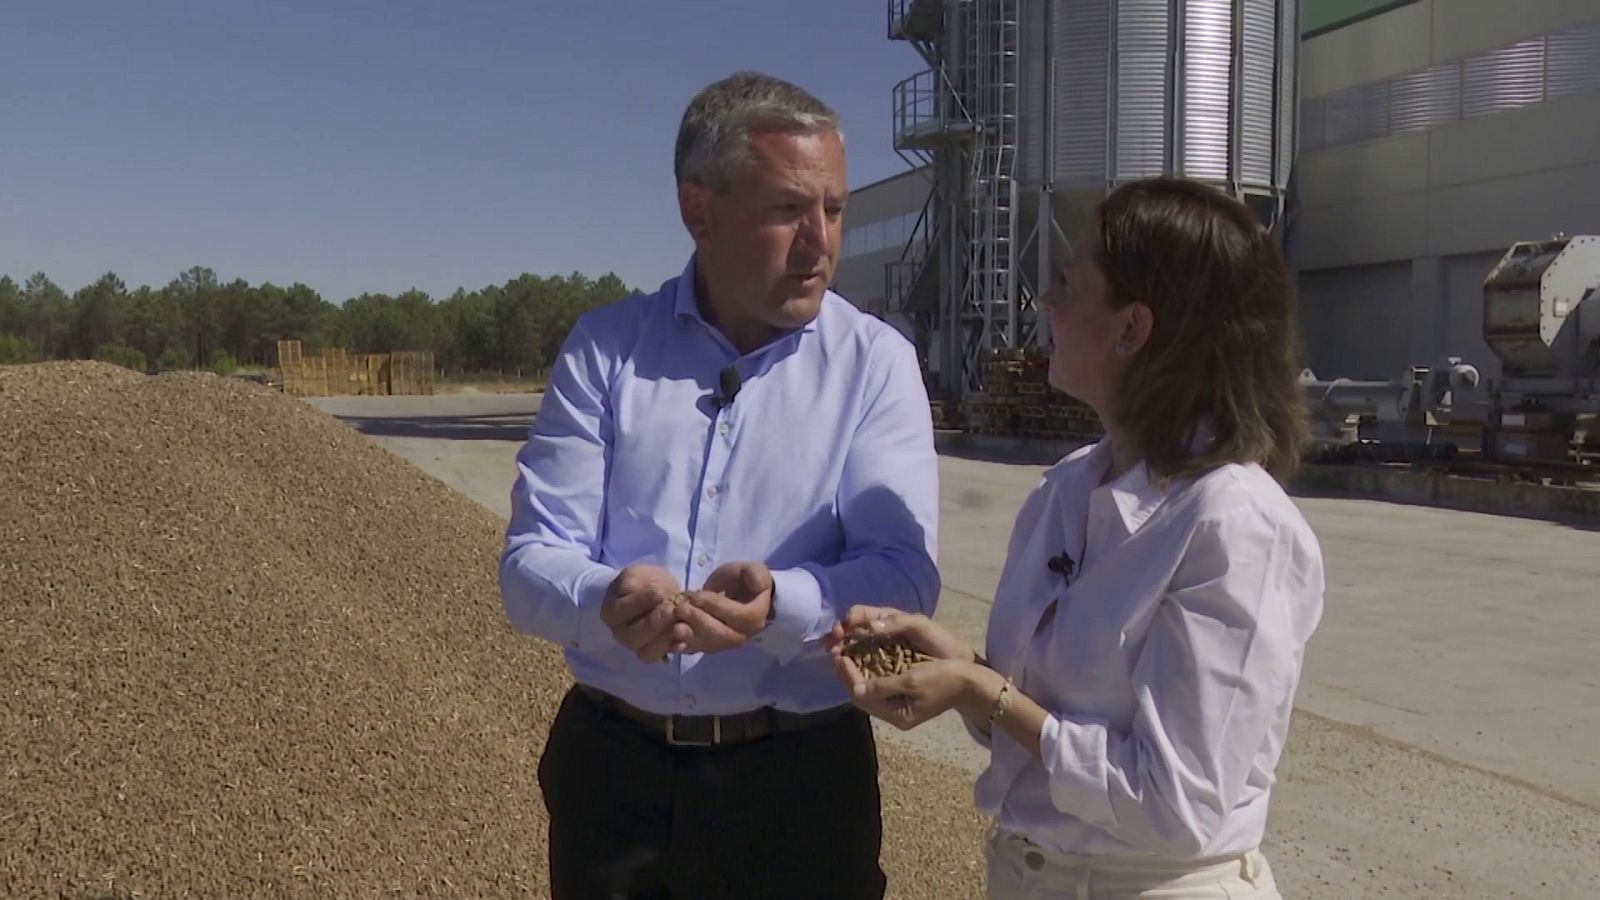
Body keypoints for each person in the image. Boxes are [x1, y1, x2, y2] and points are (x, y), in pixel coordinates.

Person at [498, 70, 941, 899]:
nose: (821, 241)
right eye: (787, 209)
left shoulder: (875, 366)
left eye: (835, 210)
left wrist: (781, 606)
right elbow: (528, 568)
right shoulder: (606, 351)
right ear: (697, 209)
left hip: (798, 786)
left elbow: (906, 578)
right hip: (616, 781)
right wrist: (608, 598)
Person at [828, 177, 1325, 899]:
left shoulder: (1232, 524)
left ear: (1133, 329)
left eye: (1068, 282)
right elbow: (1046, 722)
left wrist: (984, 691)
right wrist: (960, 672)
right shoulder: (1065, 491)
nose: (1047, 303)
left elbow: (1173, 806)